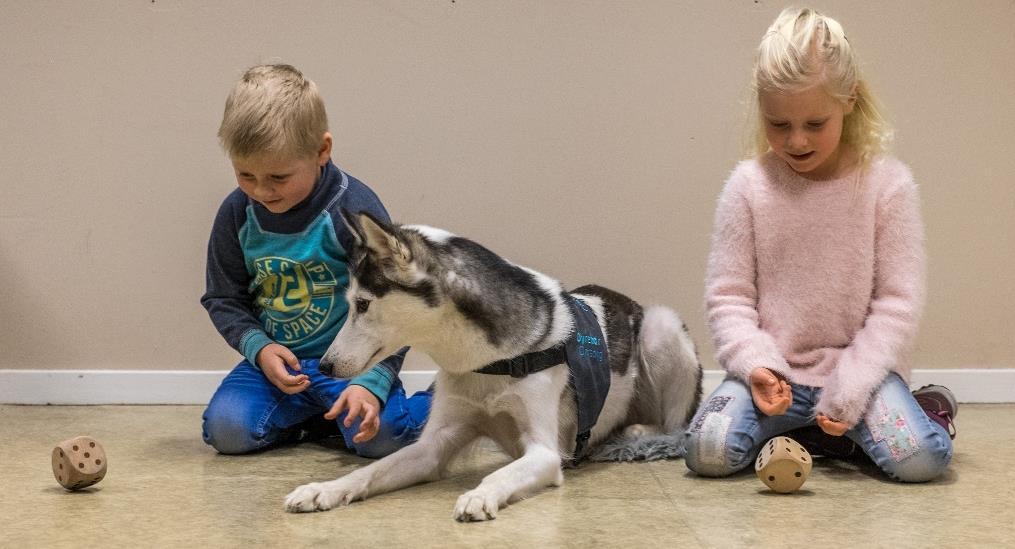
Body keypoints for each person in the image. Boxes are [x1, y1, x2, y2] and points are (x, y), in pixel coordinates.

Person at [685, 8, 955, 482]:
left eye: (814, 122)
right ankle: (814, 433)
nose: (796, 140)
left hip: (859, 377)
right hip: (774, 378)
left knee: (922, 460)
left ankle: (924, 406)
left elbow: (897, 304)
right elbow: (729, 299)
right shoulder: (747, 187)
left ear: (849, 101)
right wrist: (757, 367)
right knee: (706, 451)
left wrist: (850, 389)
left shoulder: (888, 186)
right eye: (778, 124)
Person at [200, 64, 430, 458]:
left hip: (350, 366)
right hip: (278, 369)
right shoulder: (237, 214)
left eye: (278, 177)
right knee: (227, 432)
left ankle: (446, 402)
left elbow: (394, 306)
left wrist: (370, 384)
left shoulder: (353, 212)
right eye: (245, 174)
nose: (261, 191)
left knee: (383, 438)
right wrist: (260, 349)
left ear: (322, 150)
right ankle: (314, 419)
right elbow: (224, 297)